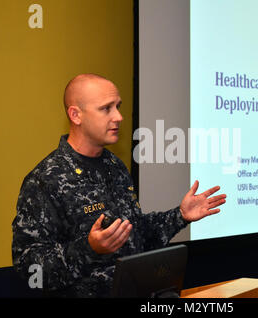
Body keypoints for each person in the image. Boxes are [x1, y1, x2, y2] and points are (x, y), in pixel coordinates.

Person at [12, 74, 226, 297]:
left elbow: (136, 233)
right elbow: (30, 271)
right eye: (106, 109)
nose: (119, 116)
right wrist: (89, 249)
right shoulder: (45, 179)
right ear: (76, 115)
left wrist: (179, 215)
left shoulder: (115, 166)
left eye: (118, 106)